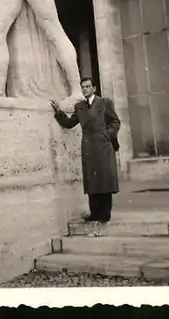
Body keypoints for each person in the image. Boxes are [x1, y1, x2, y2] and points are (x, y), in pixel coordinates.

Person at [51, 77, 121, 223]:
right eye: (83, 87)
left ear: (94, 88)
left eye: (88, 86)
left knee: (104, 180)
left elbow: (115, 121)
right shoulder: (80, 107)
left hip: (103, 146)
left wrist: (107, 135)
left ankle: (105, 214)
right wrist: (59, 112)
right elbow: (69, 123)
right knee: (92, 180)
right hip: (88, 147)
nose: (85, 89)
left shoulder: (105, 103)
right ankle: (94, 213)